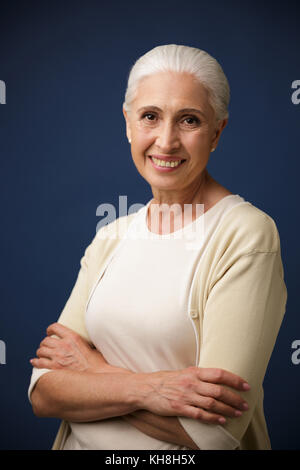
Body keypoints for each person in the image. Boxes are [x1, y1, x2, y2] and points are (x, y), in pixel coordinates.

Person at [28, 44, 287, 450]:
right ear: (128, 124)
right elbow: (44, 392)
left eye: (189, 120)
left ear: (216, 132)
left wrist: (92, 372)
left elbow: (213, 434)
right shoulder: (111, 236)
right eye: (150, 116)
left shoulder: (247, 234)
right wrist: (150, 389)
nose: (166, 142)